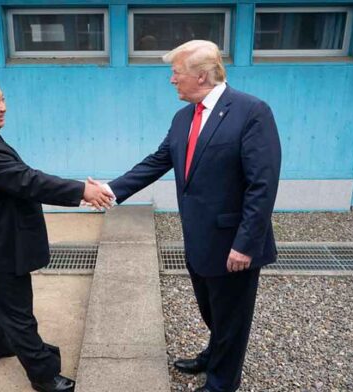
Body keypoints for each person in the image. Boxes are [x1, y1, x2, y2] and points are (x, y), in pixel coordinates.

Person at [94, 40, 281, 392]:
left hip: (233, 243)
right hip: (198, 238)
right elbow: (157, 160)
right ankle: (215, 353)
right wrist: (112, 190)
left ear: (202, 75)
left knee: (232, 318)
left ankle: (222, 382)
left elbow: (263, 184)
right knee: (212, 310)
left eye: (175, 73)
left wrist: (246, 243)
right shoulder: (184, 117)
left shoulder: (251, 112)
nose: (171, 80)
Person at [0, 70, 113, 392]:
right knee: (18, 313)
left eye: (3, 99)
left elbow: (20, 177)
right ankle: (44, 375)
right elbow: (28, 180)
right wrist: (83, 191)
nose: (3, 107)